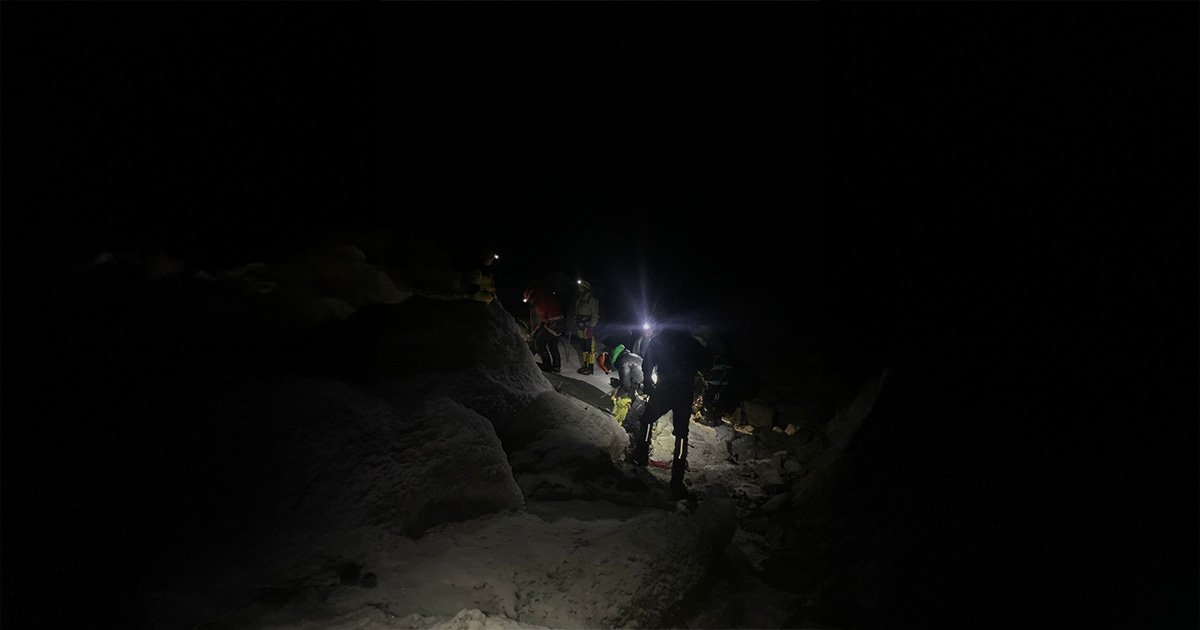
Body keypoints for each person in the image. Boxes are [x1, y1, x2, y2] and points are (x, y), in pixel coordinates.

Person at [632, 327, 711, 498]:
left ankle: (641, 455)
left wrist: (647, 383)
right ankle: (677, 479)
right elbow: (706, 367)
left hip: (664, 390)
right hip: (684, 393)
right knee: (682, 435)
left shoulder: (660, 340)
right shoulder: (694, 344)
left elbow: (648, 363)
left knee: (647, 420)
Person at [524, 285, 563, 374]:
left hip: (553, 324)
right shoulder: (547, 297)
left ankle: (547, 365)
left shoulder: (540, 302)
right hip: (560, 323)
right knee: (553, 345)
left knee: (540, 343)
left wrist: (541, 326)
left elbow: (543, 316)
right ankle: (556, 367)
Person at [572, 280, 600, 374]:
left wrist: (591, 327)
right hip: (580, 326)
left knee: (590, 348)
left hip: (588, 327)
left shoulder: (592, 300)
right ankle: (585, 366)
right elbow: (577, 313)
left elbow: (595, 315)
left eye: (581, 287)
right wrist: (573, 322)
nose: (580, 289)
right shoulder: (579, 300)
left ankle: (590, 368)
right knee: (583, 347)